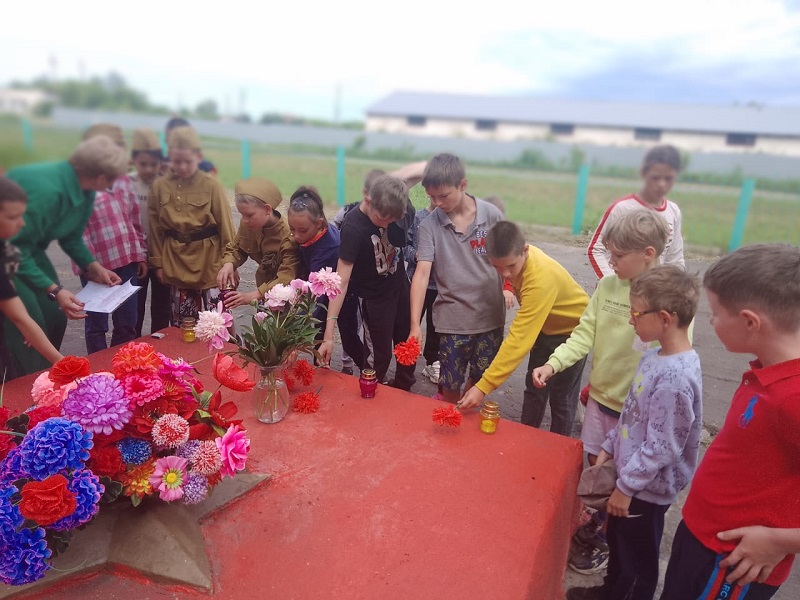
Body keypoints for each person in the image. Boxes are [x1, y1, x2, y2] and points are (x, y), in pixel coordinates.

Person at [531, 209, 669, 575]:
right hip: (601, 400)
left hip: (636, 411)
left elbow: (673, 356)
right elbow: (584, 334)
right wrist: (553, 363)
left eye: (619, 256)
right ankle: (599, 521)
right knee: (597, 465)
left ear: (649, 254)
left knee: (628, 475)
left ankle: (608, 536)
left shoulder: (666, 298)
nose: (611, 262)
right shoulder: (608, 286)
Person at [659, 244, 800, 600]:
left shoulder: (793, 397)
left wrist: (780, 541)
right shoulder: (769, 370)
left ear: (751, 322)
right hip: (703, 537)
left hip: (732, 562)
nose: (710, 322)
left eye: (717, 314)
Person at [566, 265, 703, 600]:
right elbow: (633, 413)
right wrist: (612, 445)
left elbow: (663, 447)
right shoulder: (655, 355)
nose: (631, 320)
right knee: (619, 544)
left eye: (637, 313)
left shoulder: (675, 379)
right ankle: (610, 590)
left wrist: (625, 489)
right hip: (631, 478)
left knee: (637, 561)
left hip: (645, 491)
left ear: (666, 319)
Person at [3, 135, 128, 375]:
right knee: (28, 325)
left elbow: (71, 236)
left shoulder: (87, 190)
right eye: (111, 178)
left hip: (32, 253)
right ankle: (25, 384)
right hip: (12, 255)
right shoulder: (47, 191)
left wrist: (92, 266)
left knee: (55, 318)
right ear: (100, 175)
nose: (112, 183)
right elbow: (15, 247)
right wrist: (55, 290)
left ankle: (48, 373)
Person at [457, 221, 590, 437]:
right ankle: (526, 438)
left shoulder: (540, 279)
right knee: (534, 389)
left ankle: (559, 447)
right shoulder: (516, 262)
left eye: (511, 266)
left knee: (562, 398)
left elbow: (519, 339)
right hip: (545, 328)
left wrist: (484, 386)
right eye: (498, 267)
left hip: (573, 333)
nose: (505, 275)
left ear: (525, 250)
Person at [409, 153, 505, 405]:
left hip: (490, 318)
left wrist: (509, 287)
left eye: (444, 196)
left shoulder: (491, 215)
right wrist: (415, 325)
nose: (437, 202)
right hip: (451, 323)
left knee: (478, 385)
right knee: (450, 387)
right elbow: (421, 274)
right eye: (431, 197)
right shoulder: (429, 226)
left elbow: (509, 257)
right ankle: (448, 426)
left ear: (462, 185)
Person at [318, 174, 416, 390]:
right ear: (368, 199)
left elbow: (415, 174)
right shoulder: (353, 228)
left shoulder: (393, 202)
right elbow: (340, 282)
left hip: (399, 286)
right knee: (378, 355)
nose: (388, 224)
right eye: (383, 219)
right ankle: (371, 387)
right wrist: (328, 335)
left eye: (392, 221)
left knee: (407, 341)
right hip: (375, 299)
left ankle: (403, 385)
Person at [148, 126, 235, 325]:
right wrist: (158, 264)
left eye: (188, 161)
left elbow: (226, 227)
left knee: (218, 323)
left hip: (211, 263)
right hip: (177, 263)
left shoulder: (212, 185)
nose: (183, 167)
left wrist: (231, 262)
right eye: (177, 161)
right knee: (183, 325)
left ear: (198, 156)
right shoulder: (159, 186)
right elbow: (155, 230)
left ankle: (222, 357)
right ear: (169, 156)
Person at [73, 125, 148, 353]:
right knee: (96, 323)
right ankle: (98, 370)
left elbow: (134, 221)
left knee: (128, 322)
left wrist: (140, 255)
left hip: (127, 265)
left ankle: (120, 365)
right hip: (96, 269)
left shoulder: (124, 181)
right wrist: (90, 268)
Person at [287, 186, 363, 367]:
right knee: (318, 339)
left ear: (320, 223)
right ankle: (322, 370)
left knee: (350, 338)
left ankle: (369, 372)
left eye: (302, 230)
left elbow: (316, 298)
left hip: (343, 294)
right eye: (292, 229)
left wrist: (296, 335)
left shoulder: (328, 249)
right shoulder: (310, 235)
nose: (296, 236)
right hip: (318, 289)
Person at [588, 145, 684, 279]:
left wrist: (670, 287)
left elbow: (675, 259)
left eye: (668, 178)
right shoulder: (622, 208)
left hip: (651, 292)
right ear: (643, 173)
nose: (662, 184)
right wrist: (611, 283)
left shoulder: (673, 211)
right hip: (617, 290)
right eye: (655, 177)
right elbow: (596, 249)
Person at [0, 177, 63, 379]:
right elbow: (19, 318)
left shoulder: (6, 250)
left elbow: (20, 316)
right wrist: (65, 364)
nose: (22, 223)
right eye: (13, 217)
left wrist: (63, 363)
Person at [217, 177, 298, 308]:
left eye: (249, 215)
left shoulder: (288, 235)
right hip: (264, 292)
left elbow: (286, 277)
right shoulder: (249, 225)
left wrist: (253, 295)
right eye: (242, 215)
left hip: (287, 298)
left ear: (267, 209)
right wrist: (229, 264)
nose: (244, 220)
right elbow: (237, 247)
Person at [127, 128, 172, 336]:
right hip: (136, 256)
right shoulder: (127, 185)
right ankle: (133, 346)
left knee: (162, 304)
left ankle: (160, 343)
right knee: (135, 305)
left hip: (163, 255)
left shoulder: (166, 185)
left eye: (153, 164)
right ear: (133, 161)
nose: (148, 169)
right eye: (143, 164)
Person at [404, 192, 440, 386]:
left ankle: (432, 361)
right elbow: (404, 246)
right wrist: (415, 255)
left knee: (436, 327)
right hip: (416, 282)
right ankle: (407, 364)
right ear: (428, 193)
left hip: (439, 286)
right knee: (412, 322)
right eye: (436, 195)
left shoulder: (447, 220)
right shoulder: (418, 218)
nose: (439, 201)